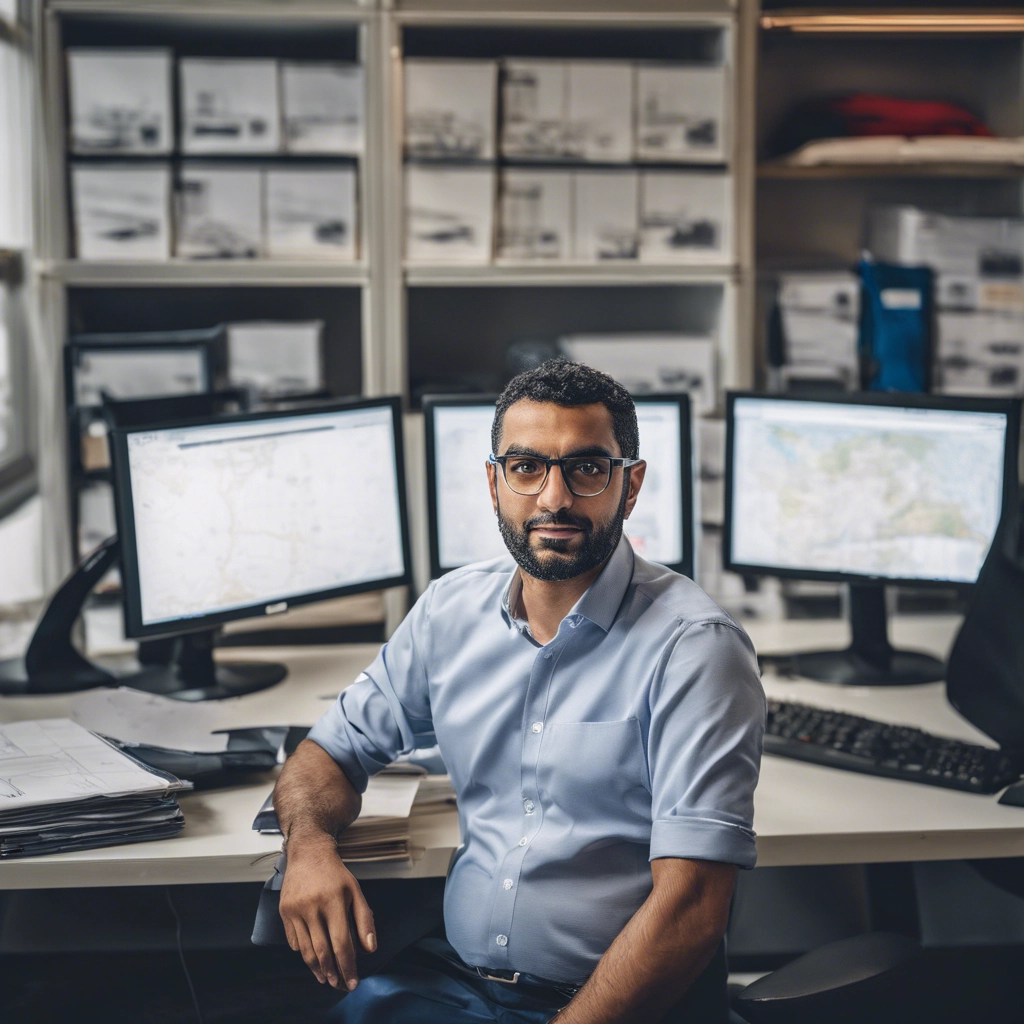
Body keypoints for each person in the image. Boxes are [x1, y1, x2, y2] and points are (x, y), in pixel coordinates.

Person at [273, 359, 765, 1024]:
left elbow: (693, 907)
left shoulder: (695, 648)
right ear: (494, 481)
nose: (553, 497)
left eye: (587, 468)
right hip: (457, 986)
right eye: (526, 467)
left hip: (617, 1006)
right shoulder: (449, 613)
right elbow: (325, 755)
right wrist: (307, 849)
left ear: (631, 485)